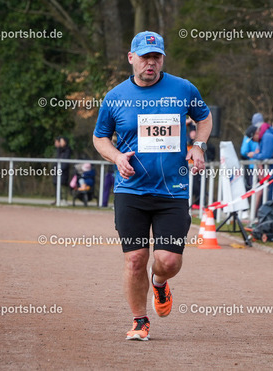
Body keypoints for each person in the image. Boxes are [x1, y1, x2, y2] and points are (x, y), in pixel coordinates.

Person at [93, 31, 212, 341]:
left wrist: (198, 145)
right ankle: (139, 321)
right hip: (131, 190)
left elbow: (204, 117)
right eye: (145, 57)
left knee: (168, 261)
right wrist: (116, 157)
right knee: (135, 259)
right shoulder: (115, 96)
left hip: (172, 190)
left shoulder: (183, 89)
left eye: (156, 57)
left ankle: (159, 283)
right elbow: (100, 137)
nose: (151, 62)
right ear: (131, 58)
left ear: (162, 59)